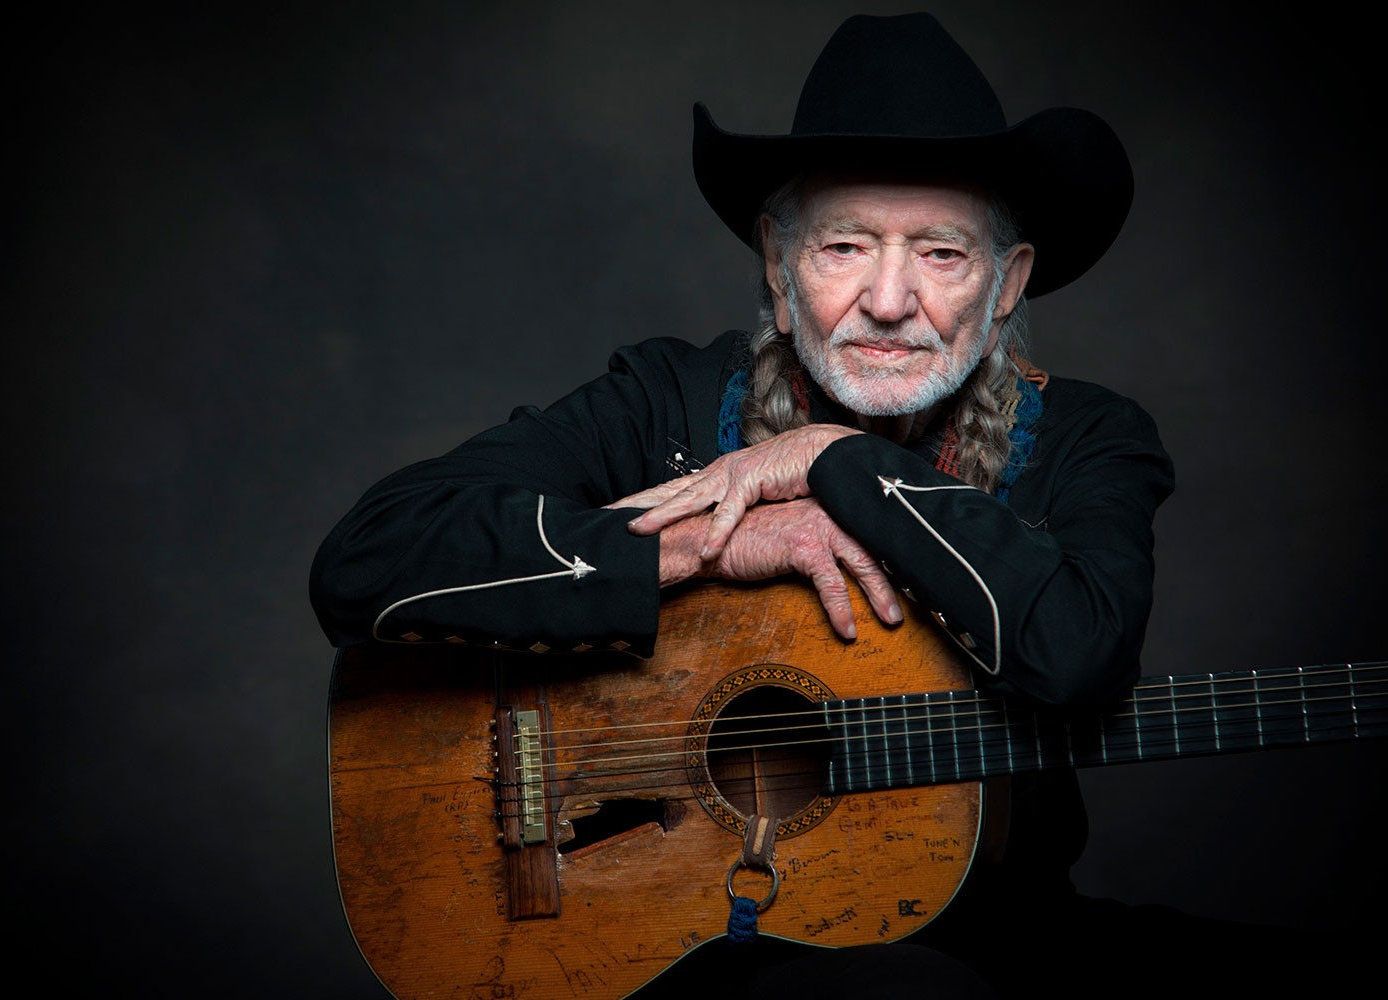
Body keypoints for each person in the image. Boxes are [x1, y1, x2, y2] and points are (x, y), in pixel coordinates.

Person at [310, 12, 1340, 998]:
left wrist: (833, 457)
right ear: (776, 261)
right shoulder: (662, 402)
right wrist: (708, 546)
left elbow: (1079, 653)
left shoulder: (1086, 437)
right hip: (693, 943)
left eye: (940, 253)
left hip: (1004, 933)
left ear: (1006, 282)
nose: (887, 302)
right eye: (843, 246)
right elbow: (365, 560)